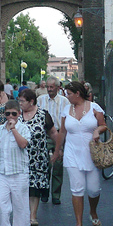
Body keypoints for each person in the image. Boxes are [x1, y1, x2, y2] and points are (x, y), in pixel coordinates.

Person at [51, 81, 107, 226]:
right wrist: (57, 151)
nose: (67, 96)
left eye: (69, 94)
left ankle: (93, 212)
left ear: (77, 93)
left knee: (94, 189)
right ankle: (78, 224)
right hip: (72, 153)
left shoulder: (94, 108)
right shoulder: (66, 110)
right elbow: (62, 132)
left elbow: (104, 125)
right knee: (77, 189)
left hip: (92, 154)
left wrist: (97, 130)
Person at [18, 88, 59, 226]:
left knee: (34, 188)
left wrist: (58, 150)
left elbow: (53, 133)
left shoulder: (43, 114)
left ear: (31, 101)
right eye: (19, 101)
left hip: (38, 158)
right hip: (20, 158)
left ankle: (32, 216)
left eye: (22, 101)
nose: (20, 103)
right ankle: (22, 214)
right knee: (21, 187)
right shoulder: (17, 115)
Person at [37, 75, 70, 205]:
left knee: (57, 165)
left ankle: (56, 195)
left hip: (58, 134)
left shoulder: (64, 102)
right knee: (44, 164)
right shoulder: (40, 100)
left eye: (52, 87)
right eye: (48, 87)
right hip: (44, 134)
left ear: (57, 87)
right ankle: (44, 191)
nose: (49, 89)